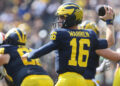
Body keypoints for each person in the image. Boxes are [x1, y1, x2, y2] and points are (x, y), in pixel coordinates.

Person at [22, 3, 117, 86]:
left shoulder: (61, 34)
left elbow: (45, 49)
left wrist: (30, 54)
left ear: (72, 18)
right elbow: (110, 42)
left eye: (63, 17)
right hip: (81, 81)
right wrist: (109, 22)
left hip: (65, 80)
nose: (59, 20)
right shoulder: (90, 34)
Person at [79, 20, 111, 86]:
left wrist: (99, 70)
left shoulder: (71, 44)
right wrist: (110, 22)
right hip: (87, 81)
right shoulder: (95, 46)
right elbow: (110, 42)